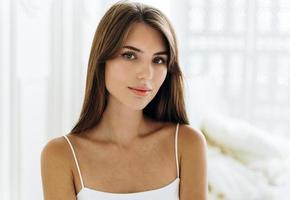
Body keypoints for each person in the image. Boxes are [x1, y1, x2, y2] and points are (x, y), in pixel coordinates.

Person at [41, 1, 207, 199]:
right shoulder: (61, 155)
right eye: (129, 55)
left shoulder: (187, 144)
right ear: (102, 60)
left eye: (158, 60)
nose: (146, 74)